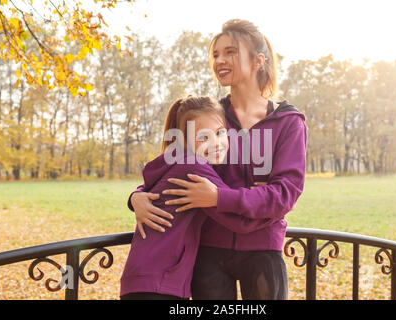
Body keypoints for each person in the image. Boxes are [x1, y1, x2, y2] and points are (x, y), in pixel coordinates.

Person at [128, 19, 307, 300]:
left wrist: (218, 198)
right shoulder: (208, 116)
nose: (219, 60)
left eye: (230, 52)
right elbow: (171, 166)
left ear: (258, 61)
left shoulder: (288, 122)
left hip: (262, 250)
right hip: (208, 252)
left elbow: (284, 194)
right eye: (215, 54)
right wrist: (137, 197)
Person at [120, 96, 276, 300]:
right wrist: (275, 212)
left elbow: (147, 187)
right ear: (183, 140)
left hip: (145, 278)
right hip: (159, 284)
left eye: (220, 133)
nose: (216, 143)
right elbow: (238, 222)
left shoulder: (174, 161)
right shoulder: (195, 168)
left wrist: (135, 197)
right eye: (203, 138)